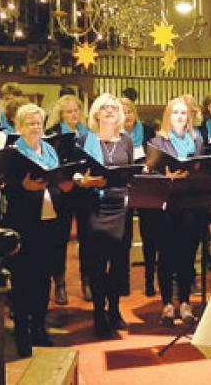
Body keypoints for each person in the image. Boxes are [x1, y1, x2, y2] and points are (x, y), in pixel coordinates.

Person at [3, 103, 74, 357]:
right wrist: (22, 187)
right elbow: (5, 188)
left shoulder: (50, 150)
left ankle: (39, 327)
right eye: (30, 123)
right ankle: (22, 331)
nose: (36, 128)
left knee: (44, 278)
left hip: (51, 222)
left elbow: (57, 178)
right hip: (24, 222)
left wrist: (66, 184)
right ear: (20, 127)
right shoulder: (12, 154)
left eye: (39, 123)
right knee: (24, 280)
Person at [74, 94, 135, 338]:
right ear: (96, 114)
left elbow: (130, 172)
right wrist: (84, 180)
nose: (110, 111)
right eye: (104, 108)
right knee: (97, 264)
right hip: (94, 207)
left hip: (120, 207)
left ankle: (115, 310)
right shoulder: (84, 139)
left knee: (119, 263)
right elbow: (75, 174)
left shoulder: (127, 141)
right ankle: (99, 314)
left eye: (114, 108)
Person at [147, 97, 208, 326]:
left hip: (191, 205)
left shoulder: (198, 141)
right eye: (175, 112)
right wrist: (166, 176)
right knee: (167, 257)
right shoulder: (158, 142)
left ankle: (184, 301)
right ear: (168, 116)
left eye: (184, 113)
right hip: (166, 207)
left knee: (187, 256)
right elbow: (151, 174)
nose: (180, 116)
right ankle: (166, 303)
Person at [45, 94, 91, 306]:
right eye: (69, 112)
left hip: (83, 190)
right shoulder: (52, 134)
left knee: (87, 238)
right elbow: (50, 165)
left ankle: (87, 281)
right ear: (61, 114)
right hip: (63, 190)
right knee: (59, 240)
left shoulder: (88, 133)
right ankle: (60, 283)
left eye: (76, 111)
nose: (73, 115)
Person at [121, 96, 160, 297]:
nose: (127, 115)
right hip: (124, 188)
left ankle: (149, 281)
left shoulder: (146, 130)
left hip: (146, 186)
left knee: (150, 235)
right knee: (124, 237)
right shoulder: (116, 135)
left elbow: (156, 153)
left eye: (129, 111)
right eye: (123, 111)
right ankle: (124, 282)